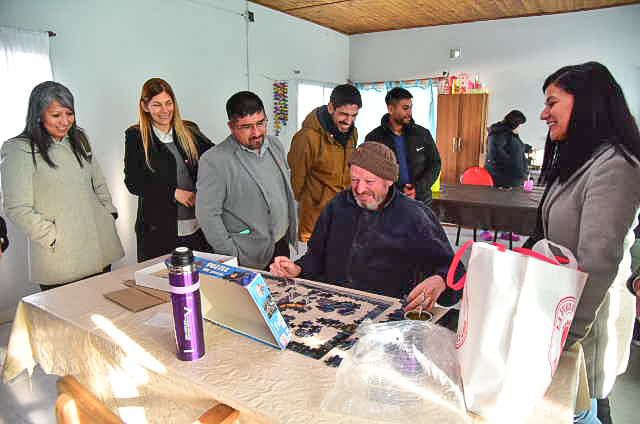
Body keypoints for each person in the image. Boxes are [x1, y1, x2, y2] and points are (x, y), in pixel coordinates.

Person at [536, 62, 640, 423]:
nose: (544, 114)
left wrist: (566, 337)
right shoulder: (582, 161)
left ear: (586, 103)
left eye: (552, 102)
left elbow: (598, 262)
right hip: (565, 315)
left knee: (588, 405)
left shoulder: (616, 165)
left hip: (587, 322)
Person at [270, 142, 461, 311]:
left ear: (389, 180)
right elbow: (315, 256)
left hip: (388, 318)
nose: (360, 189)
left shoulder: (414, 215)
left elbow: (454, 271)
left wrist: (441, 280)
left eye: (369, 181)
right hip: (332, 309)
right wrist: (298, 269)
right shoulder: (338, 205)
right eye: (354, 180)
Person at [0, 81, 124, 290]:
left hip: (98, 245)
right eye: (56, 115)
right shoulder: (18, 149)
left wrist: (108, 212)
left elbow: (99, 182)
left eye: (69, 113)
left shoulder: (79, 139)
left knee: (105, 305)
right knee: (67, 310)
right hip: (61, 255)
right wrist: (52, 237)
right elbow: (16, 207)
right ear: (38, 115)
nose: (65, 122)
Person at [196, 91, 297, 270]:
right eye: (247, 127)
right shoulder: (215, 160)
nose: (257, 133)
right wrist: (231, 255)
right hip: (246, 255)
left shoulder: (275, 145)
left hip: (280, 246)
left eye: (260, 123)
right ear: (231, 126)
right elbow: (207, 215)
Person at [124, 78, 214, 262]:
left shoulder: (190, 130)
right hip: (159, 231)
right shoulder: (136, 136)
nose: (165, 110)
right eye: (157, 105)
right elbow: (133, 182)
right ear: (145, 106)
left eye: (168, 103)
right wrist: (173, 193)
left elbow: (215, 160)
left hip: (197, 226)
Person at [288, 84, 361, 242]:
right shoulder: (307, 137)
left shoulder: (353, 133)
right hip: (316, 217)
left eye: (354, 115)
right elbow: (296, 181)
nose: (349, 121)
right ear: (330, 108)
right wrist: (314, 201)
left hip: (344, 211)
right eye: (343, 114)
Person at [365, 87, 441, 206]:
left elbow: (435, 164)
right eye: (405, 108)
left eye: (411, 108)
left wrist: (418, 188)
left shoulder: (423, 134)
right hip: (389, 203)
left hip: (421, 201)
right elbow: (370, 172)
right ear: (391, 109)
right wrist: (393, 192)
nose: (410, 112)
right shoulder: (374, 138)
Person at [481, 109, 531, 242]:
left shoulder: (510, 133)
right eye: (520, 124)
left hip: (511, 177)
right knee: (492, 204)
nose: (520, 127)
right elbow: (495, 153)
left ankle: (505, 231)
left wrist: (526, 147)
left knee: (509, 206)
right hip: (499, 176)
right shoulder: (498, 133)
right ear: (515, 123)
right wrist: (513, 164)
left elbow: (514, 147)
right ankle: (485, 230)